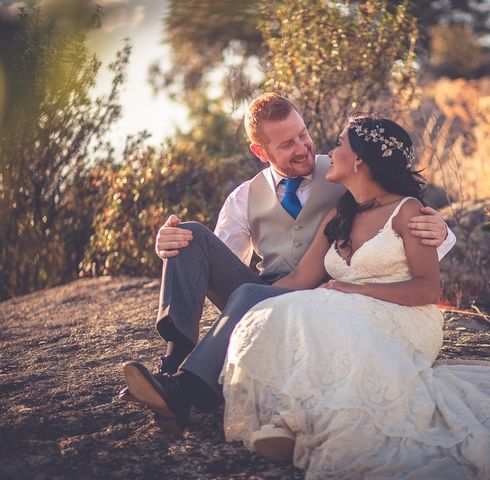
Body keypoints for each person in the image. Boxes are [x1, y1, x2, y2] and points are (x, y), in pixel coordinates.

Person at [221, 115, 490, 479]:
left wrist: (352, 289)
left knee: (327, 309)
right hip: (349, 313)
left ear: (360, 161)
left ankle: (307, 421)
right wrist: (249, 306)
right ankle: (288, 419)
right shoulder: (338, 215)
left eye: (340, 146)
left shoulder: (408, 212)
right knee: (284, 308)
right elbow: (300, 277)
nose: (329, 150)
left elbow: (428, 289)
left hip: (406, 319)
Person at [120, 94, 456, 434]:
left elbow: (401, 222)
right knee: (189, 235)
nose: (303, 148)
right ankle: (174, 364)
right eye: (286, 144)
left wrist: (440, 228)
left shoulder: (346, 171)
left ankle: (183, 389)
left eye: (303, 134)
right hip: (276, 287)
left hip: (324, 299)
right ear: (260, 152)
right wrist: (167, 246)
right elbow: (215, 263)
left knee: (251, 294)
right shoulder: (244, 197)